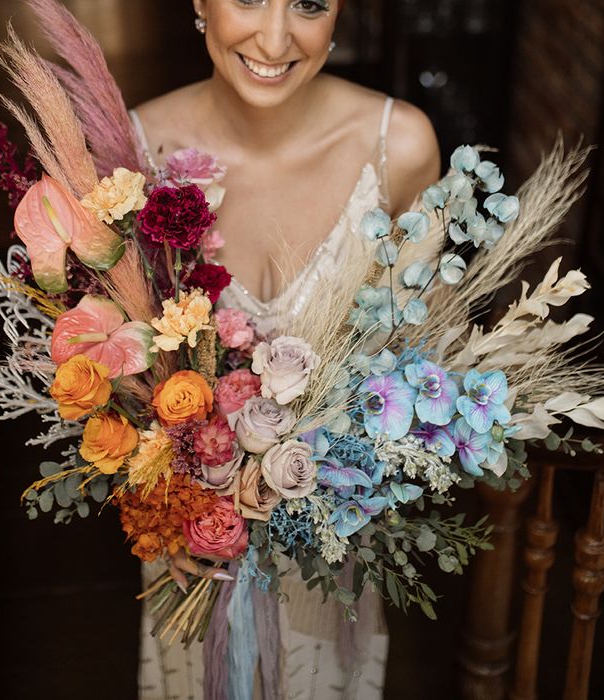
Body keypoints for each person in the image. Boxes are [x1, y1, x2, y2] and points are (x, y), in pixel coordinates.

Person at [129, 1, 441, 697]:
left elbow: (426, 363)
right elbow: (114, 365)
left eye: (307, 3)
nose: (274, 38)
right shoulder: (133, 147)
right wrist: (178, 504)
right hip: (192, 550)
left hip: (335, 555)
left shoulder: (402, 145)